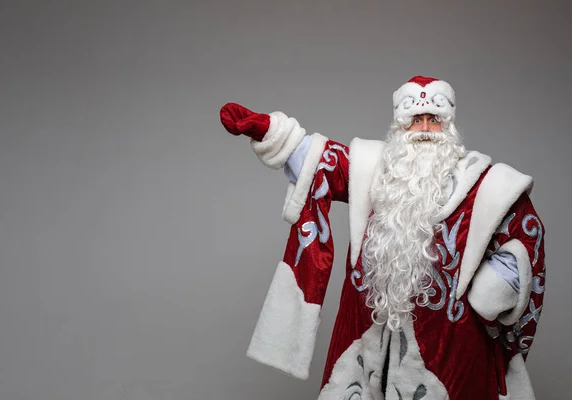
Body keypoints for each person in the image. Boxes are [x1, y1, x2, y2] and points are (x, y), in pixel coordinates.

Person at [219, 76, 546, 400]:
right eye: (415, 120)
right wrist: (272, 133)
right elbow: (325, 161)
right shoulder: (374, 168)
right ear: (401, 126)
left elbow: (525, 229)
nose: (424, 129)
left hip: (449, 341)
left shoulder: (483, 181)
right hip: (371, 330)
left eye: (434, 120)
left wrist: (497, 285)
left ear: (448, 126)